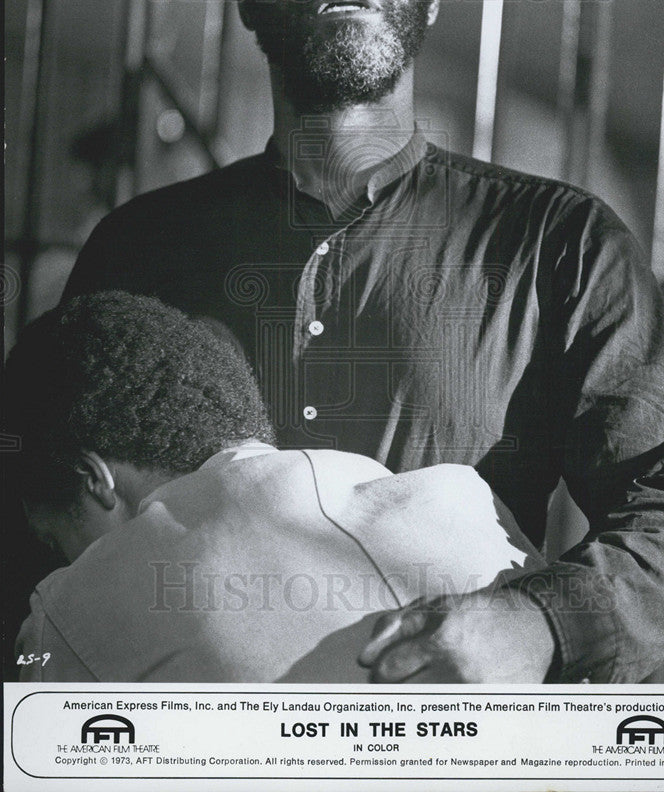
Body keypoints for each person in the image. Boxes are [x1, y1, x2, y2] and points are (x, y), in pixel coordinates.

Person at [59, 0, 664, 683]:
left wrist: (538, 624)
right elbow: (43, 508)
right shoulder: (137, 250)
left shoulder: (558, 243)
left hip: (448, 749)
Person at [8, 291, 540, 683]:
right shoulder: (465, 498)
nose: (67, 567)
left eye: (58, 544)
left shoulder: (68, 616)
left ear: (93, 479)